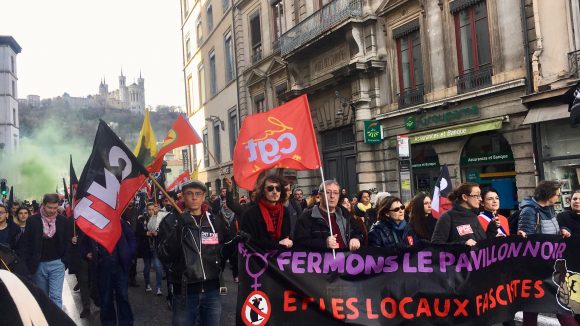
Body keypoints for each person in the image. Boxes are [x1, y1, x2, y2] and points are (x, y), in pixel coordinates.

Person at [157, 180, 233, 326]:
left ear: (204, 196)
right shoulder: (171, 220)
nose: (194, 197)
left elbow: (221, 251)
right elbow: (164, 254)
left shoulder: (214, 220)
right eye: (189, 194)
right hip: (185, 291)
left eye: (198, 194)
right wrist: (179, 227)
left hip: (212, 290)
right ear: (182, 196)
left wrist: (233, 245)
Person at [518, 181, 576, 326]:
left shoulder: (549, 208)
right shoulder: (529, 211)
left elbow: (552, 227)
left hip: (552, 263)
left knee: (537, 304)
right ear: (548, 194)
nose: (558, 196)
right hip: (538, 267)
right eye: (556, 194)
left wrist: (561, 230)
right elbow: (527, 242)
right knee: (554, 303)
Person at [19, 193, 71, 308]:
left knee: (56, 297)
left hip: (58, 263)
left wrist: (64, 261)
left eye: (55, 208)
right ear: (43, 205)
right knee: (42, 296)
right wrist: (27, 264)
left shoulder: (63, 221)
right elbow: (26, 243)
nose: (52, 211)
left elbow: (68, 242)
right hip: (38, 264)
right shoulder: (33, 221)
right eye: (49, 207)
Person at [82, 219, 137, 326]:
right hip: (102, 267)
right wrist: (86, 254)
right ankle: (108, 323)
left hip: (120, 266)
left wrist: (129, 254)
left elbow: (132, 239)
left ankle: (126, 323)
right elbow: (83, 245)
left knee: (123, 296)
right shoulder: (93, 224)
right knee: (106, 299)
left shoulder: (120, 222)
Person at [294, 180, 364, 251]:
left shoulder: (346, 214)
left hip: (347, 259)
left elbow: (359, 233)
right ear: (320, 195)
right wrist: (324, 243)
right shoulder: (307, 217)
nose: (332, 196)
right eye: (328, 192)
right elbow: (299, 242)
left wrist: (356, 239)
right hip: (322, 260)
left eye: (336, 193)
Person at [431, 183, 497, 246]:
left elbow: (482, 243)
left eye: (480, 196)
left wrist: (492, 229)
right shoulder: (447, 217)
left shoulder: (474, 216)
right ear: (465, 197)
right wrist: (463, 244)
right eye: (477, 196)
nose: (480, 199)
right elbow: (436, 245)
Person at [240, 175, 293, 250]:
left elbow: (286, 235)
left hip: (280, 258)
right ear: (263, 191)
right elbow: (248, 241)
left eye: (278, 189)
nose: (275, 192)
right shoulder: (250, 213)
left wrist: (289, 241)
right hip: (258, 258)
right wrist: (277, 244)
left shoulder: (285, 211)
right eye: (270, 188)